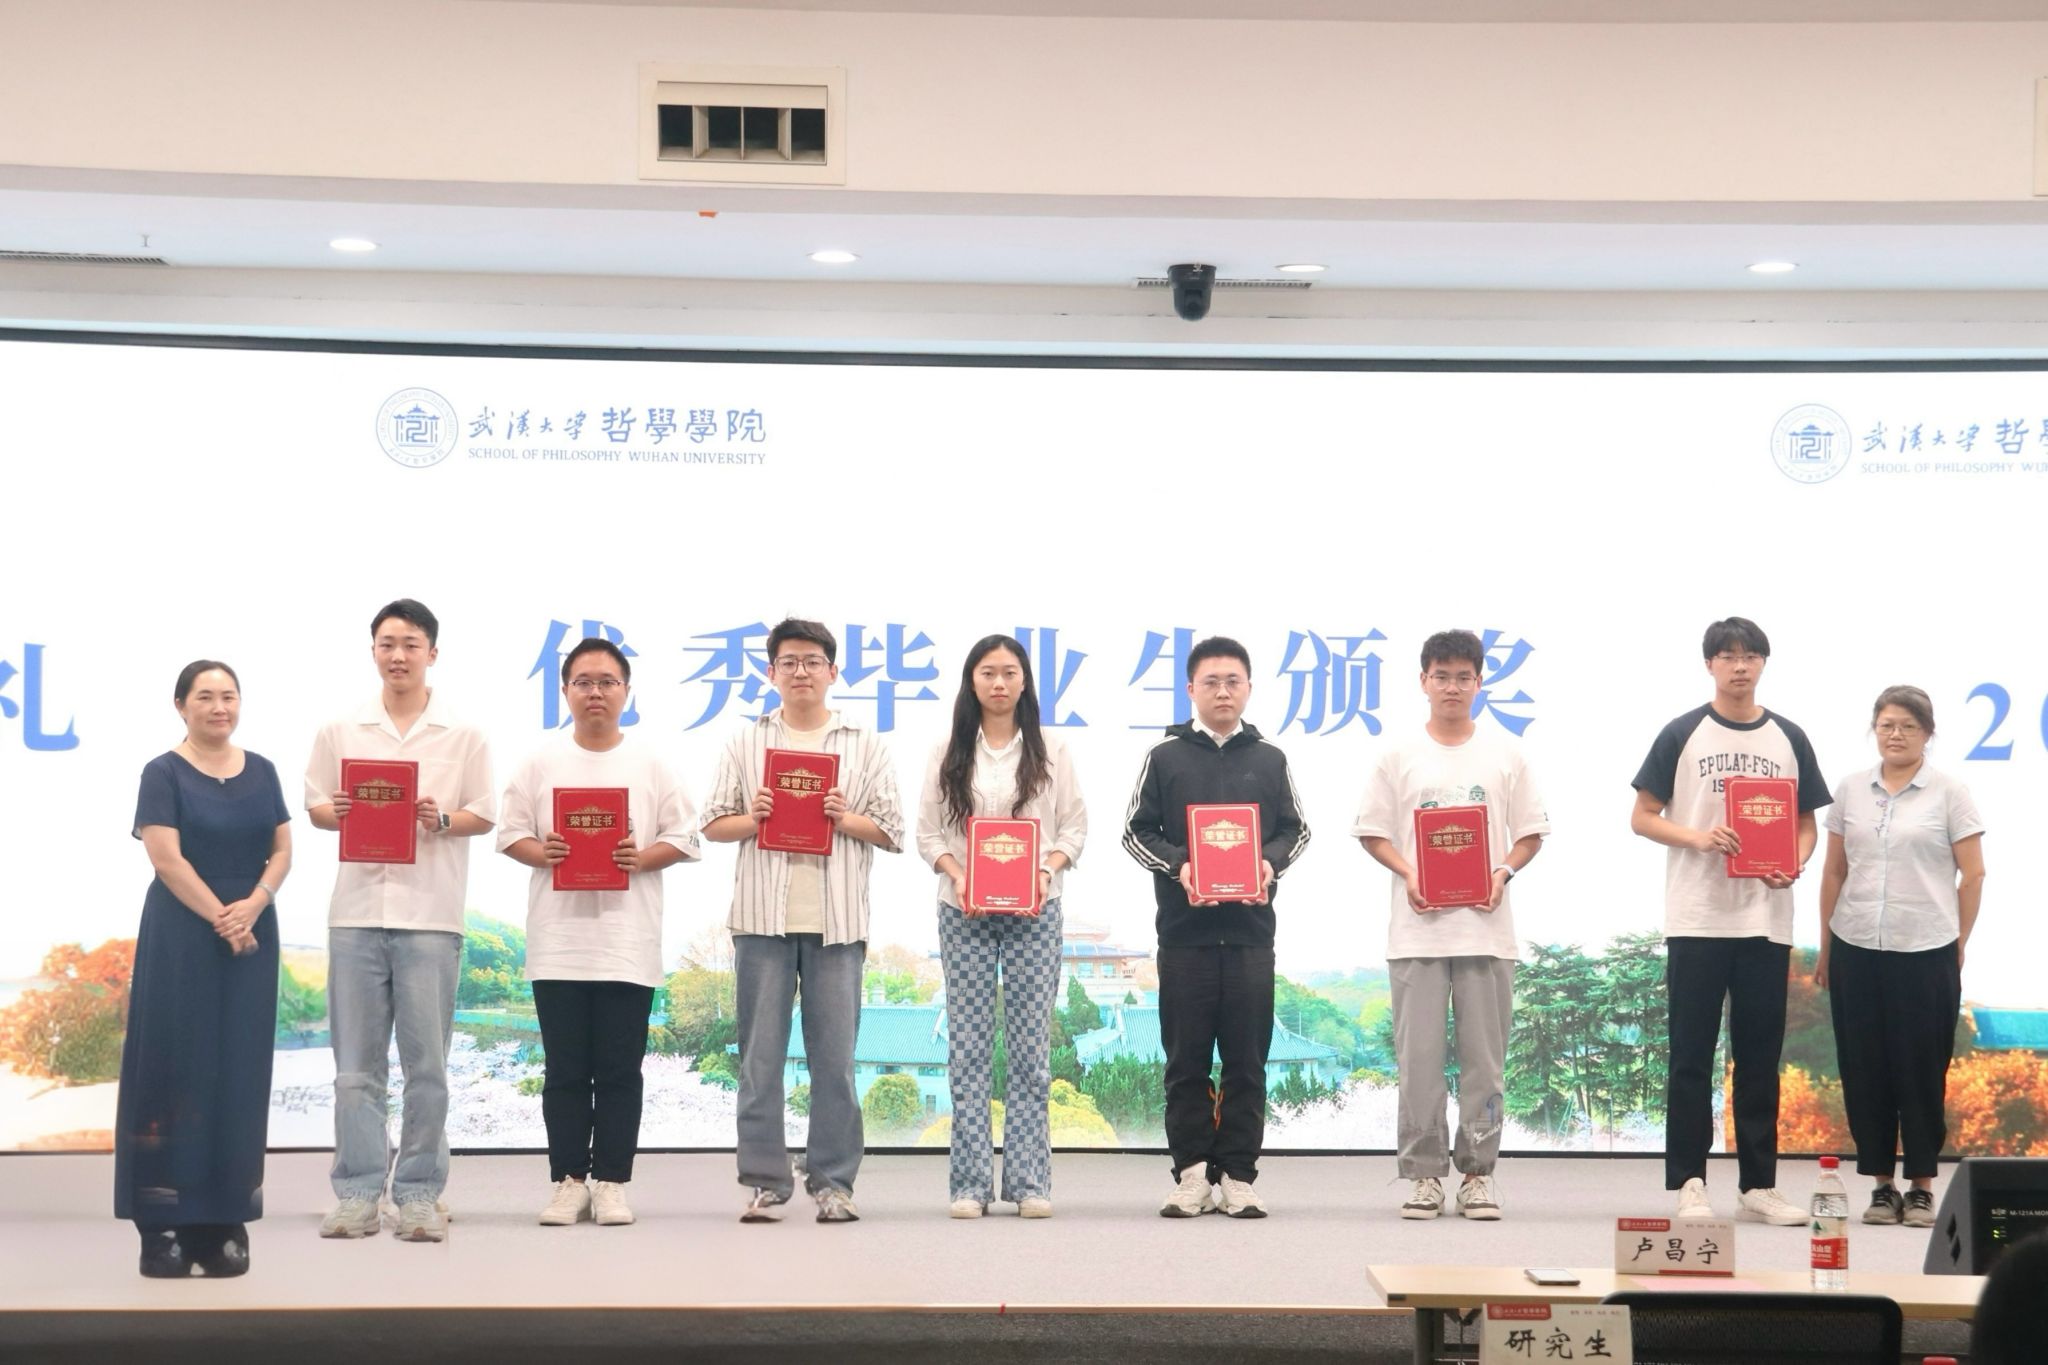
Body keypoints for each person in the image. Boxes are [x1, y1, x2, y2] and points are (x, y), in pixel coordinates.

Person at [703, 618, 904, 1225]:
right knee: (759, 1060)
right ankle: (766, 1182)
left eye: (813, 661)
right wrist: (755, 817)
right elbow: (713, 823)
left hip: (837, 924)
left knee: (834, 1062)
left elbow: (892, 830)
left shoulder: (864, 744)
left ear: (832, 671)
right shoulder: (745, 742)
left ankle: (833, 1182)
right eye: (788, 661)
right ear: (771, 672)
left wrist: (845, 817)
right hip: (761, 921)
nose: (801, 672)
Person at [307, 599, 496, 1243]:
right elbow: (316, 806)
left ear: (431, 653)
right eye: (387, 643)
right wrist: (335, 810)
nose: (398, 655)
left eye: (411, 644)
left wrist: (440, 818)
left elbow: (484, 813)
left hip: (430, 917)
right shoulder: (340, 730)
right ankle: (358, 1194)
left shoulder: (463, 735)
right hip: (356, 914)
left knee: (428, 1069)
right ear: (373, 651)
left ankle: (418, 1194)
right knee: (355, 1070)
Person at [1629, 617, 1829, 1225]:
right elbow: (1642, 815)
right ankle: (1690, 1181)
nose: (1740, 666)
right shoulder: (1682, 732)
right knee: (1690, 1056)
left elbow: (1805, 824)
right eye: (1728, 655)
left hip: (1766, 920)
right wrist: (1698, 837)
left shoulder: (1789, 737)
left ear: (1763, 663)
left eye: (1750, 656)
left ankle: (1759, 1184)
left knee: (1760, 1057)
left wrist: (1794, 862)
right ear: (1709, 664)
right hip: (1698, 917)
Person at [497, 637, 699, 1228]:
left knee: (618, 1071)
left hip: (627, 943)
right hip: (558, 943)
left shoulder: (653, 764)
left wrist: (643, 857)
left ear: (626, 691)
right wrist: (544, 851)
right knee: (564, 1072)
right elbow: (510, 834)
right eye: (583, 681)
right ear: (564, 690)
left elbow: (685, 836)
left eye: (607, 681)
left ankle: (611, 1183)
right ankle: (568, 1183)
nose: (595, 692)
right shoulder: (539, 762)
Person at [1355, 629, 1548, 1222]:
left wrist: (1503, 871)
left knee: (1484, 1065)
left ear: (1479, 682)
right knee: (1418, 1064)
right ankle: (1423, 1177)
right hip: (1416, 933)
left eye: (1464, 677)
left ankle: (1478, 1175)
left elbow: (1530, 833)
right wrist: (1409, 872)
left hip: (1487, 933)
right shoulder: (1397, 756)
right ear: (1424, 681)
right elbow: (1372, 832)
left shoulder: (1507, 755)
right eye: (1441, 676)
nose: (1452, 687)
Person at [1123, 635, 1310, 1219]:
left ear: (1248, 688)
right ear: (1191, 689)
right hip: (1185, 936)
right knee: (1185, 1061)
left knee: (1247, 1060)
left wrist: (1268, 863)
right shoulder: (1165, 757)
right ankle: (1191, 1175)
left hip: (1251, 934)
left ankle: (1238, 1176)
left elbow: (1297, 830)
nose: (1223, 691)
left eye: (1233, 681)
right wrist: (1181, 865)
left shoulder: (1270, 759)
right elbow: (1135, 832)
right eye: (1211, 681)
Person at [116, 660, 292, 1277]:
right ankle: (162, 1221)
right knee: (173, 1066)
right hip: (183, 934)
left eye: (229, 696)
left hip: (252, 930)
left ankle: (225, 1218)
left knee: (238, 1070)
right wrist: (224, 917)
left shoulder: (262, 770)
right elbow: (166, 859)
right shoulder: (162, 772)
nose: (220, 707)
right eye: (206, 697)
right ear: (181, 705)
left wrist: (255, 905)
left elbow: (282, 849)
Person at [915, 635, 1087, 1219]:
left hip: (1036, 911)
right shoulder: (947, 750)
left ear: (1025, 682)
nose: (998, 683)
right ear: (971, 681)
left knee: (1031, 1051)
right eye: (987, 672)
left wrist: (1044, 871)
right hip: (962, 909)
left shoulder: (1052, 749)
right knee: (967, 1049)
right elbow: (928, 833)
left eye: (1010, 672)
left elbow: (1074, 828)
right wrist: (958, 874)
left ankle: (1029, 1183)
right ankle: (969, 1186)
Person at [1815, 685, 1984, 1229]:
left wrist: (1958, 941)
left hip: (1925, 948)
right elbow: (1834, 871)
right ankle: (1881, 1186)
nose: (1896, 734)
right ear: (1874, 729)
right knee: (1864, 1068)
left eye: (1908, 726)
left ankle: (1922, 1187)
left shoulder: (1949, 792)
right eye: (1887, 724)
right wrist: (1826, 945)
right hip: (1856, 944)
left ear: (1927, 734)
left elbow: (1973, 874)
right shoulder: (1850, 789)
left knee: (1921, 1069)